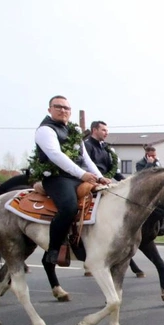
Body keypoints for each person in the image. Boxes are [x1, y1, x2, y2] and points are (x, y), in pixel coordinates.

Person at [32, 95, 110, 265]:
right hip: (57, 178)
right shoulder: (46, 130)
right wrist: (82, 175)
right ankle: (54, 248)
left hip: (77, 177)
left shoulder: (73, 131)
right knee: (69, 207)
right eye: (58, 106)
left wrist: (100, 177)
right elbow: (55, 155)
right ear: (49, 109)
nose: (63, 110)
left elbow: (86, 158)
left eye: (66, 108)